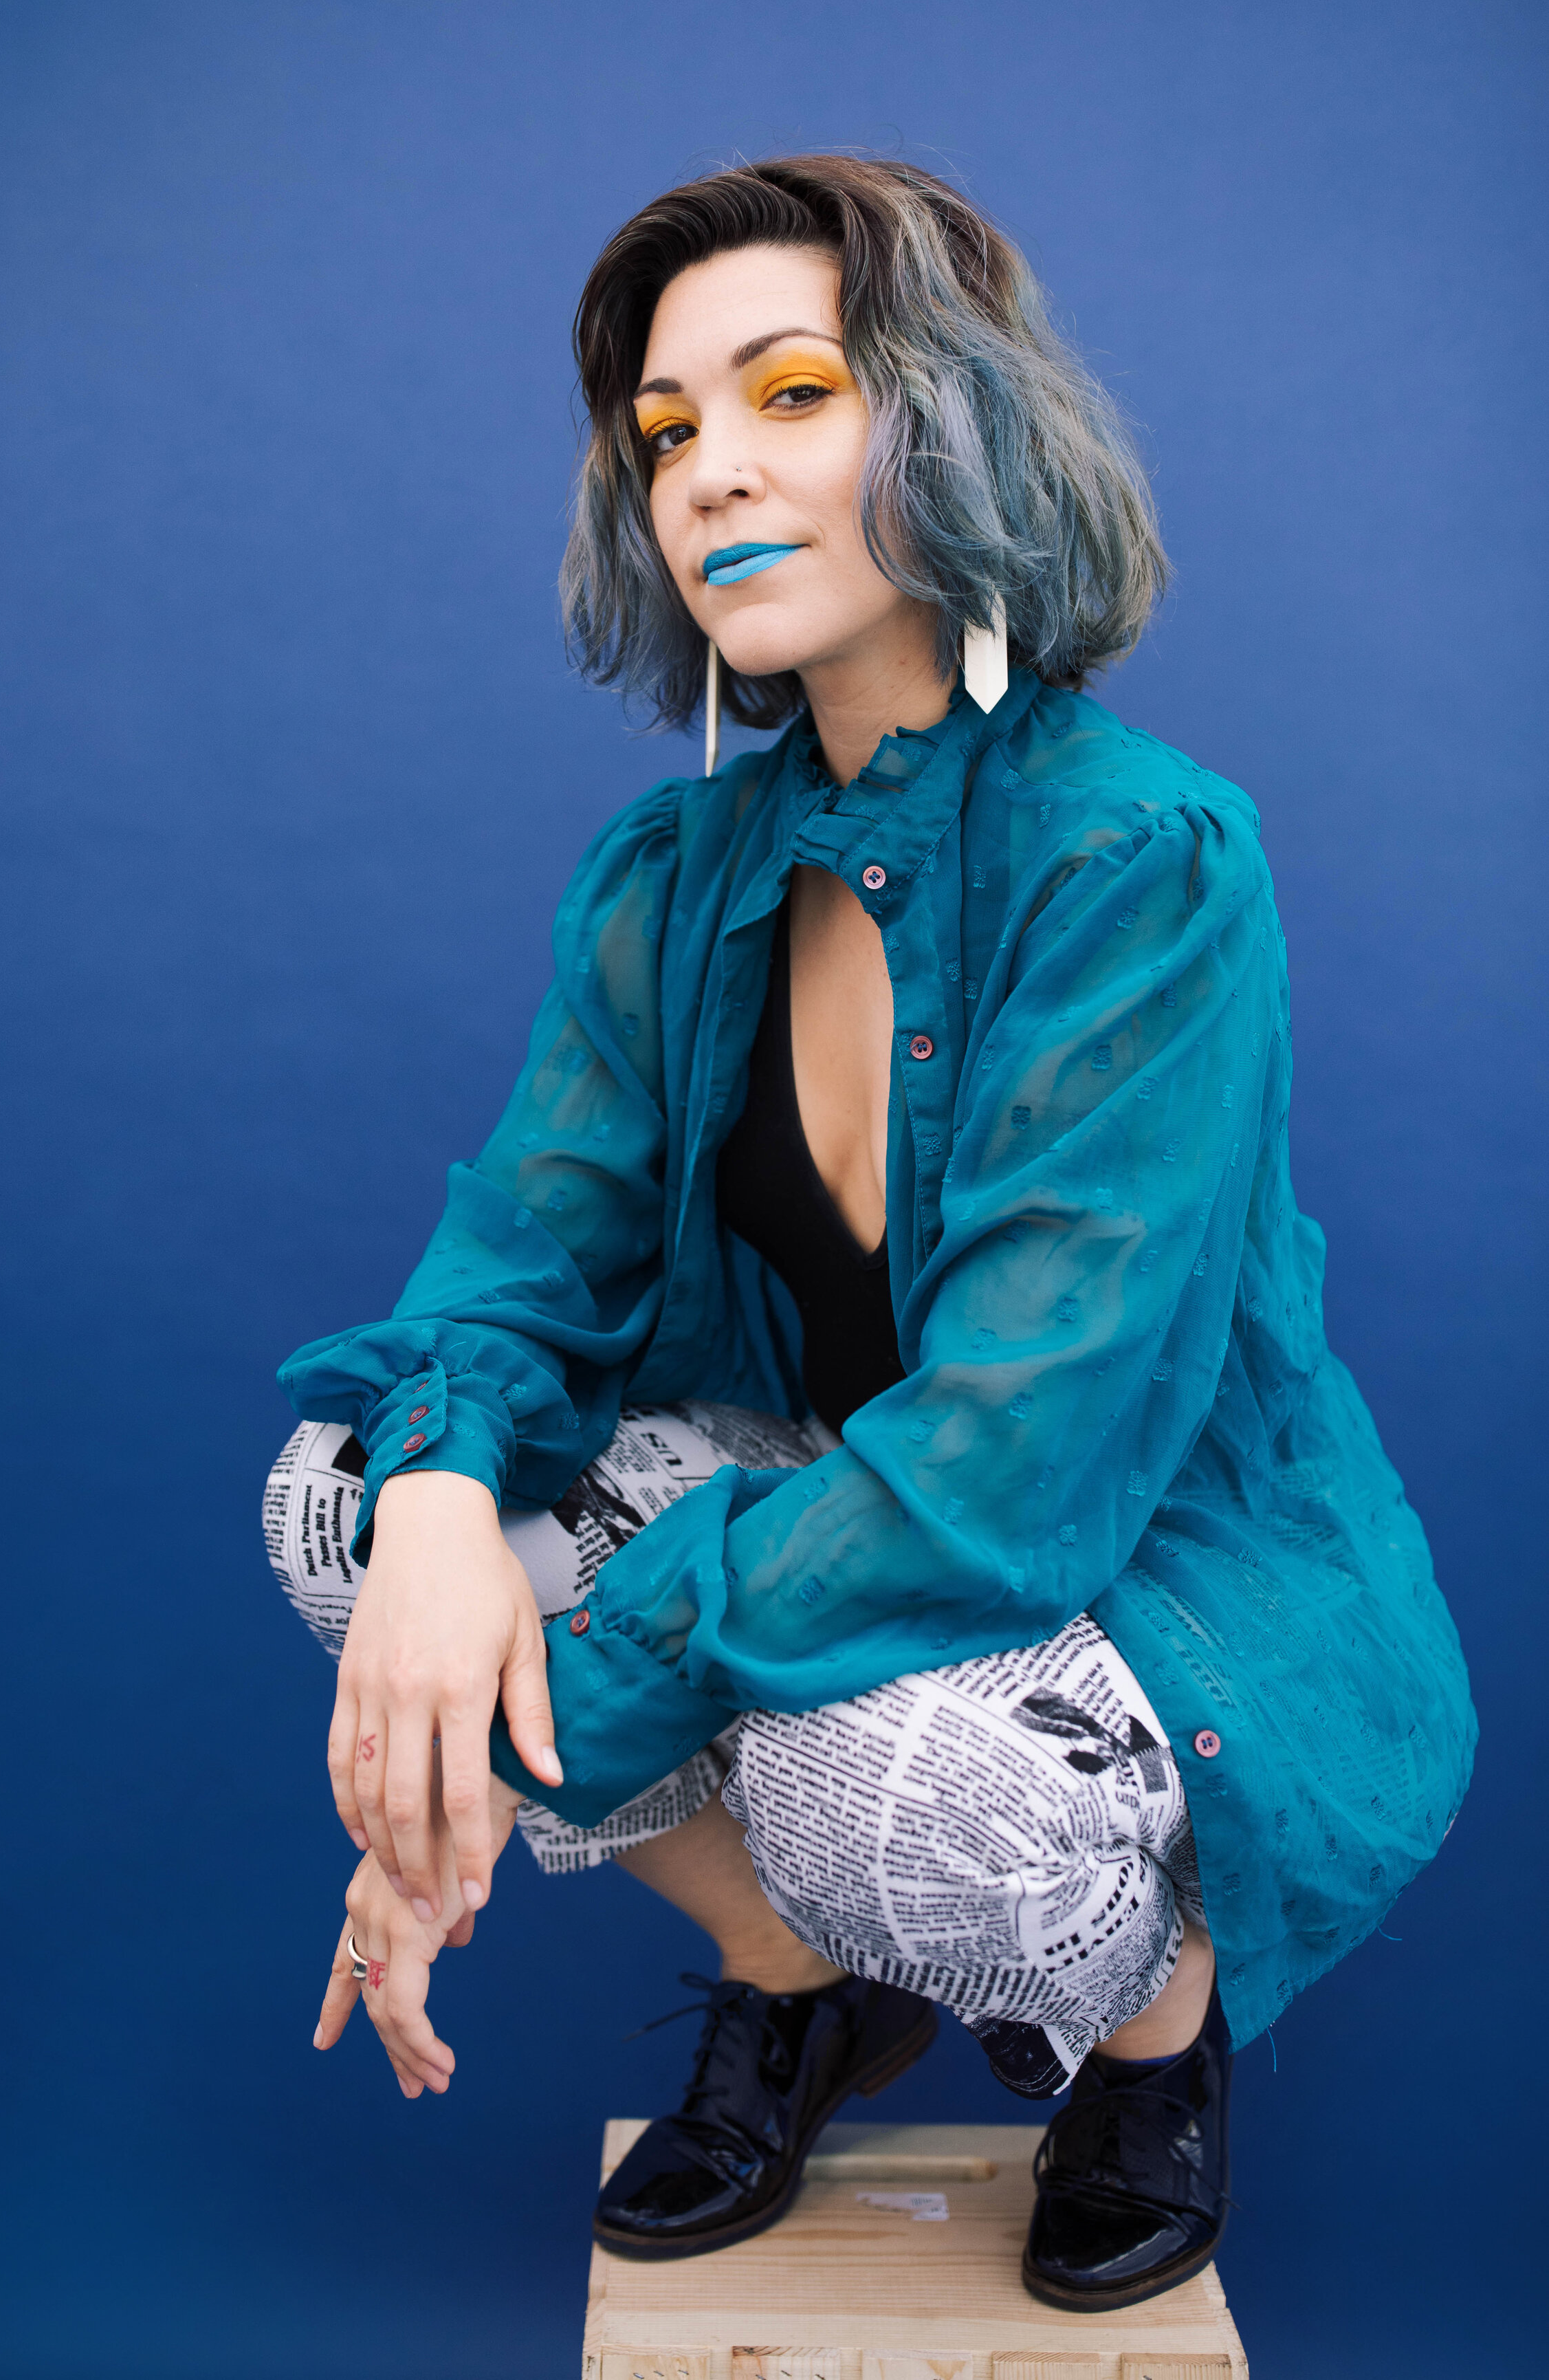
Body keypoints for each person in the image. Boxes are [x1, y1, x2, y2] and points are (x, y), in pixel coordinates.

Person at [267, 155, 1474, 2310]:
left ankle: (1152, 2045)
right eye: (665, 432)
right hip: (837, 1503)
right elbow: (523, 1262)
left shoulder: (1140, 861)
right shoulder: (669, 874)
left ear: (954, 425)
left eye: (792, 394)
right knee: (347, 1510)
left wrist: (481, 1775)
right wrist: (443, 1517)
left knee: (867, 1773)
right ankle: (796, 1978)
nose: (710, 471)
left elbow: (1014, 1467)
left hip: (1125, 1563)